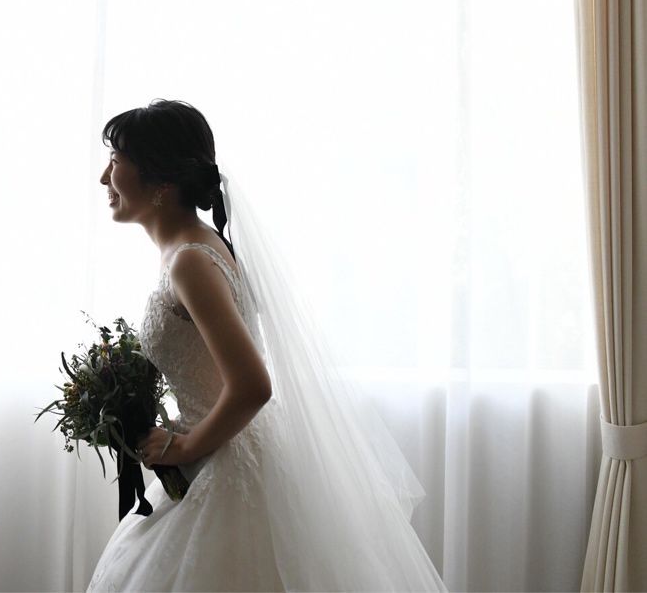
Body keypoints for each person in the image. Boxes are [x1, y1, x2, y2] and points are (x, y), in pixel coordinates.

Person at [87, 100, 446, 592]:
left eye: (115, 162)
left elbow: (253, 385)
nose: (104, 178)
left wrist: (186, 445)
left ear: (160, 180)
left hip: (227, 463)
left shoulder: (190, 261)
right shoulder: (195, 247)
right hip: (226, 450)